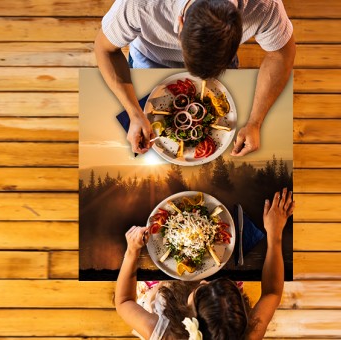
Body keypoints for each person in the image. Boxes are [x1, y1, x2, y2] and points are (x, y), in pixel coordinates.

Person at [95, 0, 296, 156]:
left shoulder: (264, 6)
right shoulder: (138, 5)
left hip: (223, 69)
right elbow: (104, 49)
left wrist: (255, 123)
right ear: (180, 22)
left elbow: (281, 54)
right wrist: (134, 114)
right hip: (150, 60)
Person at [115, 188, 295, 339]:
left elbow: (123, 302)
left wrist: (132, 251)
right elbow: (272, 293)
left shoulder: (166, 334)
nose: (204, 281)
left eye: (202, 289)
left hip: (165, 294)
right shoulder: (247, 334)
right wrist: (275, 233)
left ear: (190, 319)